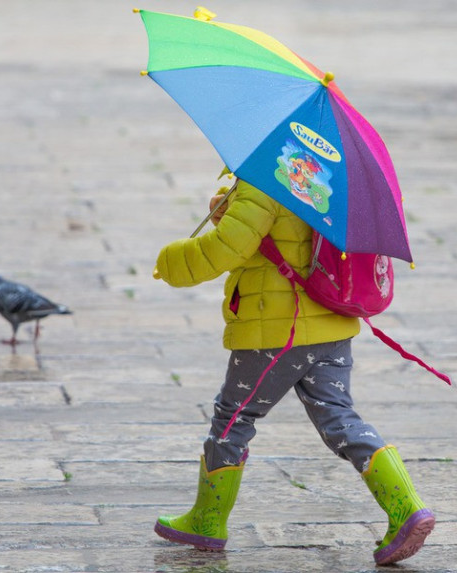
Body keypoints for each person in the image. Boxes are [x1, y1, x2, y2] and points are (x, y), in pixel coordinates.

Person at [152, 174, 435, 565]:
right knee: (339, 418)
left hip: (277, 328)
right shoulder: (332, 171)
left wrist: (170, 261)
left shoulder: (265, 176)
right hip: (332, 323)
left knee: (234, 416)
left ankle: (207, 519)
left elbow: (228, 247)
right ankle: (407, 507)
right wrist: (230, 205)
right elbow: (289, 229)